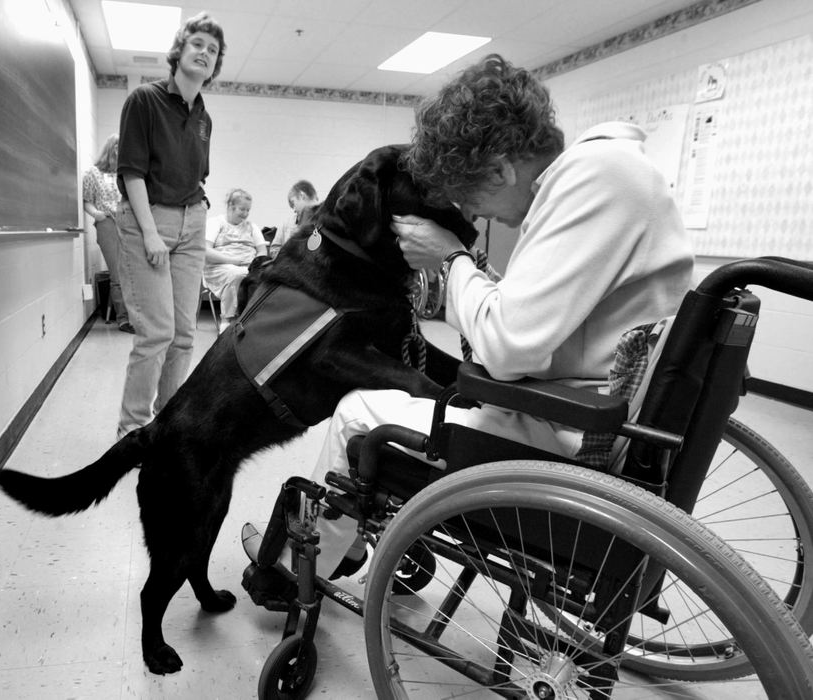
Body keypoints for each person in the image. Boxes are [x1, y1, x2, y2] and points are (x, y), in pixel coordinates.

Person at [242, 53, 694, 591]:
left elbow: (507, 347)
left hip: (571, 435)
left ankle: (308, 567)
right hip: (599, 414)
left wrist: (452, 258)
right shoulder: (612, 176)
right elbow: (542, 317)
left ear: (501, 167)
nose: (476, 215)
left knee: (355, 410)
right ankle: (368, 539)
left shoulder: (594, 179)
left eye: (470, 195)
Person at [115, 12, 225, 439]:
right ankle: (132, 429)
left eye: (212, 50)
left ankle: (167, 425)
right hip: (149, 218)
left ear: (215, 66)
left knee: (183, 335)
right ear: (179, 51)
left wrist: (196, 217)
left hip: (192, 220)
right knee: (156, 333)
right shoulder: (144, 100)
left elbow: (199, 175)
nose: (204, 52)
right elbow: (131, 172)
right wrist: (148, 232)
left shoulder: (204, 117)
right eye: (197, 43)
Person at [82, 134, 134, 333]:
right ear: (112, 149)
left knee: (132, 272)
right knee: (118, 273)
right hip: (108, 224)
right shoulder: (93, 173)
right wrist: (96, 214)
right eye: (121, 149)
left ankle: (136, 317)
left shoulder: (128, 173)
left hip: (130, 224)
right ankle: (123, 319)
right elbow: (87, 199)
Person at [204, 187, 268, 330]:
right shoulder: (216, 223)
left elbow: (262, 251)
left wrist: (254, 264)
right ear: (230, 206)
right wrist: (235, 261)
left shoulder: (252, 227)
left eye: (248, 210)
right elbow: (206, 251)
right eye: (242, 209)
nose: (245, 214)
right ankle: (227, 320)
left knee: (265, 275)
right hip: (220, 267)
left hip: (248, 266)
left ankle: (255, 320)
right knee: (238, 273)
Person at [268, 180, 318, 258]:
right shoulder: (287, 223)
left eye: (293, 203)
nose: (294, 210)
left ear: (302, 196)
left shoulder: (325, 220)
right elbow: (274, 249)